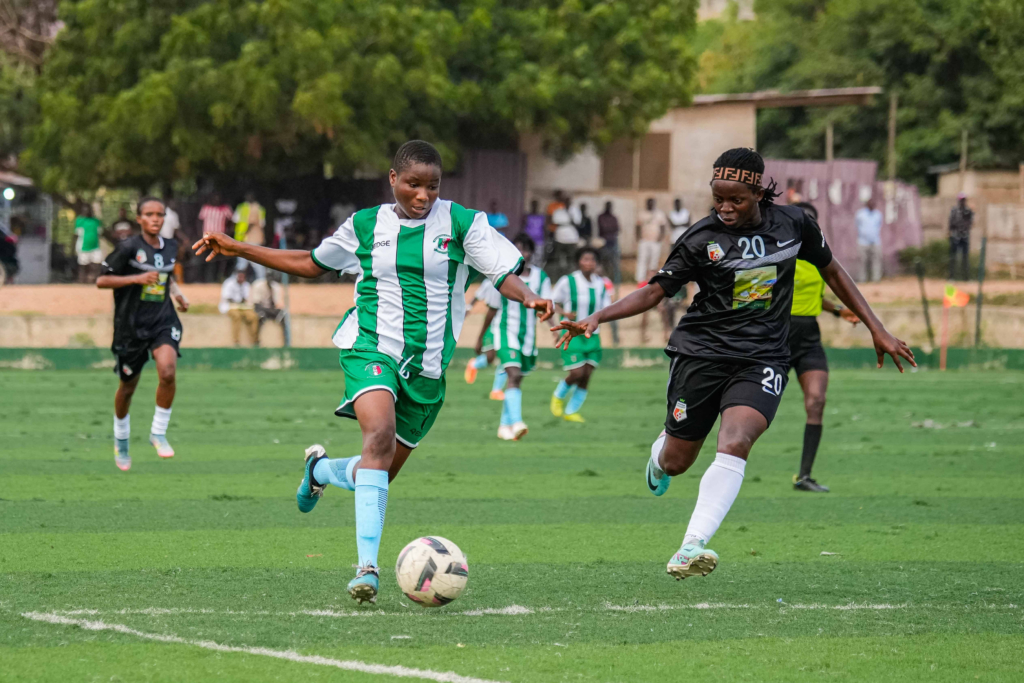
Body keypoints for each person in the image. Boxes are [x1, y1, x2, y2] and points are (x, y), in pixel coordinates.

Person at [193, 140, 553, 604]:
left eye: (432, 186)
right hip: (370, 347)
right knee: (378, 438)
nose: (423, 195)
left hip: (427, 369)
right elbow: (310, 263)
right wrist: (236, 247)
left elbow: (502, 274)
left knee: (375, 471)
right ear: (393, 180)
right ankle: (367, 569)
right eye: (413, 185)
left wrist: (531, 298)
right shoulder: (365, 225)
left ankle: (319, 470)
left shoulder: (464, 223)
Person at [554, 148, 915, 581]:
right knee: (676, 462)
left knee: (737, 439)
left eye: (736, 199)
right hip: (700, 356)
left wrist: (877, 327)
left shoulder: (795, 223)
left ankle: (691, 546)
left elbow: (833, 271)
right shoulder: (700, 238)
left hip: (763, 357)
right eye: (718, 198)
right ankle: (657, 458)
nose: (725, 207)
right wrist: (599, 316)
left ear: (759, 192)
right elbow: (655, 291)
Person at [97, 197, 190, 471]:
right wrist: (135, 279)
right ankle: (121, 440)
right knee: (127, 388)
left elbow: (166, 276)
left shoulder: (171, 246)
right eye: (149, 214)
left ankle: (158, 433)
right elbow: (102, 280)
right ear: (139, 219)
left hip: (162, 320)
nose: (155, 219)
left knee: (168, 371)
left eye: (159, 214)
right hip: (130, 327)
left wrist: (178, 295)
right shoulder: (127, 247)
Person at [788, 203, 861, 493]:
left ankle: (804, 477)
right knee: (754, 411)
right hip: (776, 337)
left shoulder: (820, 259)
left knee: (816, 401)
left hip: (808, 338)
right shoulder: (780, 257)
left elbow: (816, 296)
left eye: (812, 222)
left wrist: (838, 310)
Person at [477, 235, 551, 441]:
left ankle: (504, 427)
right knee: (514, 374)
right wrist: (481, 338)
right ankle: (517, 422)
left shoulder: (541, 278)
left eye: (526, 249)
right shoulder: (502, 275)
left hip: (527, 336)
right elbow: (491, 309)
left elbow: (545, 307)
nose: (522, 253)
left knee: (516, 380)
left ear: (531, 253)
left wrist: (556, 330)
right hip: (504, 330)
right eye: (517, 249)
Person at [550, 247, 609, 423]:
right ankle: (557, 397)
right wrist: (565, 314)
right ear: (578, 262)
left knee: (587, 374)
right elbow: (553, 302)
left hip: (593, 334)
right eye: (585, 259)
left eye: (592, 260)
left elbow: (606, 308)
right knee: (577, 373)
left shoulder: (600, 284)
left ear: (596, 263)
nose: (589, 263)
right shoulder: (568, 281)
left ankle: (571, 411)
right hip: (572, 334)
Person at [464, 277, 507, 400]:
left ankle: (496, 390)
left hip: (506, 324)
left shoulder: (512, 282)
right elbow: (477, 296)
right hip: (492, 324)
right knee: (490, 357)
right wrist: (469, 309)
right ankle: (474, 364)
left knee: (505, 356)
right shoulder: (489, 282)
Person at [198, 195, 234, 282]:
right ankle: (204, 279)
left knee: (219, 259)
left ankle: (217, 278)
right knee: (204, 257)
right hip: (206, 237)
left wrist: (227, 234)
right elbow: (199, 221)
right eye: (214, 198)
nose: (216, 200)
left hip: (219, 238)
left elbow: (232, 222)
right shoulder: (206, 208)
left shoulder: (225, 209)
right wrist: (200, 233)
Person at [219, 270, 259, 346]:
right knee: (237, 316)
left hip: (242, 307)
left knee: (253, 316)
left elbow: (246, 298)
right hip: (229, 306)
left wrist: (242, 301)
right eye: (239, 276)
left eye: (243, 277)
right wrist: (238, 301)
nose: (241, 279)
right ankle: (236, 341)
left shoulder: (246, 285)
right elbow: (227, 298)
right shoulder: (229, 283)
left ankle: (255, 340)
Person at [233, 192, 267, 279]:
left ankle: (261, 280)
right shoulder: (258, 208)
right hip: (249, 238)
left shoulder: (254, 208)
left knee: (250, 262)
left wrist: (242, 234)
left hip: (249, 238)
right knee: (245, 262)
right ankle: (236, 279)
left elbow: (251, 223)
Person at [635, 197, 668, 284]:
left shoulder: (659, 214)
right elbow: (637, 226)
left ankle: (651, 279)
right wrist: (638, 238)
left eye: (652, 203)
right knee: (642, 260)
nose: (650, 205)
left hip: (655, 241)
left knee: (654, 261)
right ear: (646, 204)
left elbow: (663, 227)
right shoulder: (641, 214)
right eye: (649, 203)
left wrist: (660, 238)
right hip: (644, 240)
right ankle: (640, 280)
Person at [855, 199, 883, 282]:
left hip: (875, 241)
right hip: (863, 242)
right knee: (862, 261)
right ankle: (862, 279)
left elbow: (879, 226)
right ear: (867, 204)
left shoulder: (878, 214)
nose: (872, 205)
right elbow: (857, 225)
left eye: (873, 203)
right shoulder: (860, 214)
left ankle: (876, 279)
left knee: (876, 260)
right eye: (870, 203)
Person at [75, 206, 104, 283]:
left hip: (95, 246)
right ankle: (82, 280)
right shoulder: (80, 220)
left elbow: (99, 232)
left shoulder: (96, 221)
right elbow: (78, 233)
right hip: (83, 246)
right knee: (83, 264)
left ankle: (94, 279)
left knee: (97, 263)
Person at [948, 193, 973, 281]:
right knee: (953, 257)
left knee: (965, 258)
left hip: (964, 236)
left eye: (963, 200)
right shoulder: (954, 210)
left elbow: (970, 223)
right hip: (955, 236)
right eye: (961, 200)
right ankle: (951, 277)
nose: (962, 201)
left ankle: (966, 278)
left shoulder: (968, 211)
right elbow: (951, 223)